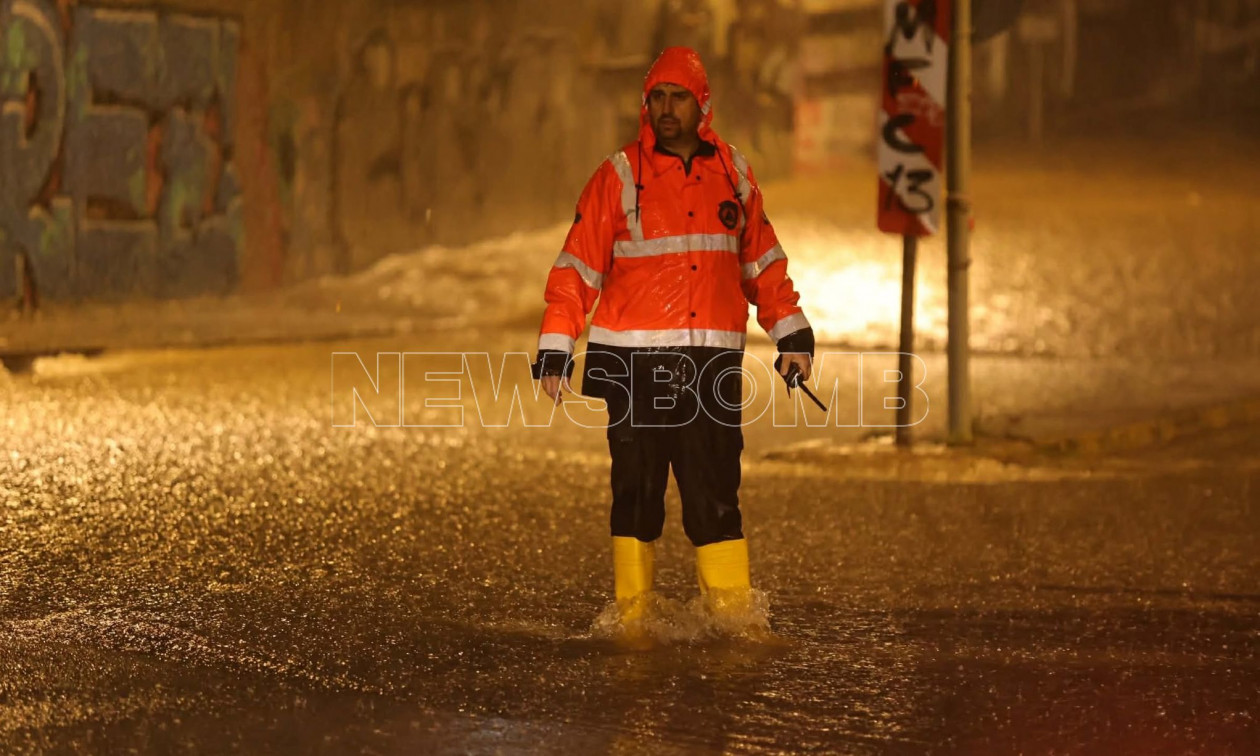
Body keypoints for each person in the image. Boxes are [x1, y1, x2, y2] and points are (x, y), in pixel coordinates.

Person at [532, 47, 813, 637]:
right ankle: (633, 621)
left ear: (701, 104)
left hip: (708, 366)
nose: (665, 109)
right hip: (631, 367)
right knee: (635, 496)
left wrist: (791, 333)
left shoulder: (733, 173)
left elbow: (761, 261)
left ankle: (733, 619)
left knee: (716, 494)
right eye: (656, 97)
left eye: (677, 97)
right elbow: (576, 270)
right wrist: (556, 345)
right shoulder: (617, 178)